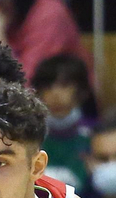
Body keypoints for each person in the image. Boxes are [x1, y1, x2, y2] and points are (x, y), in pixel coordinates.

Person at [32, 54, 95, 189]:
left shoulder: (96, 134)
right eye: (48, 87)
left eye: (64, 85)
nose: (55, 94)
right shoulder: (28, 135)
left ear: (82, 91)